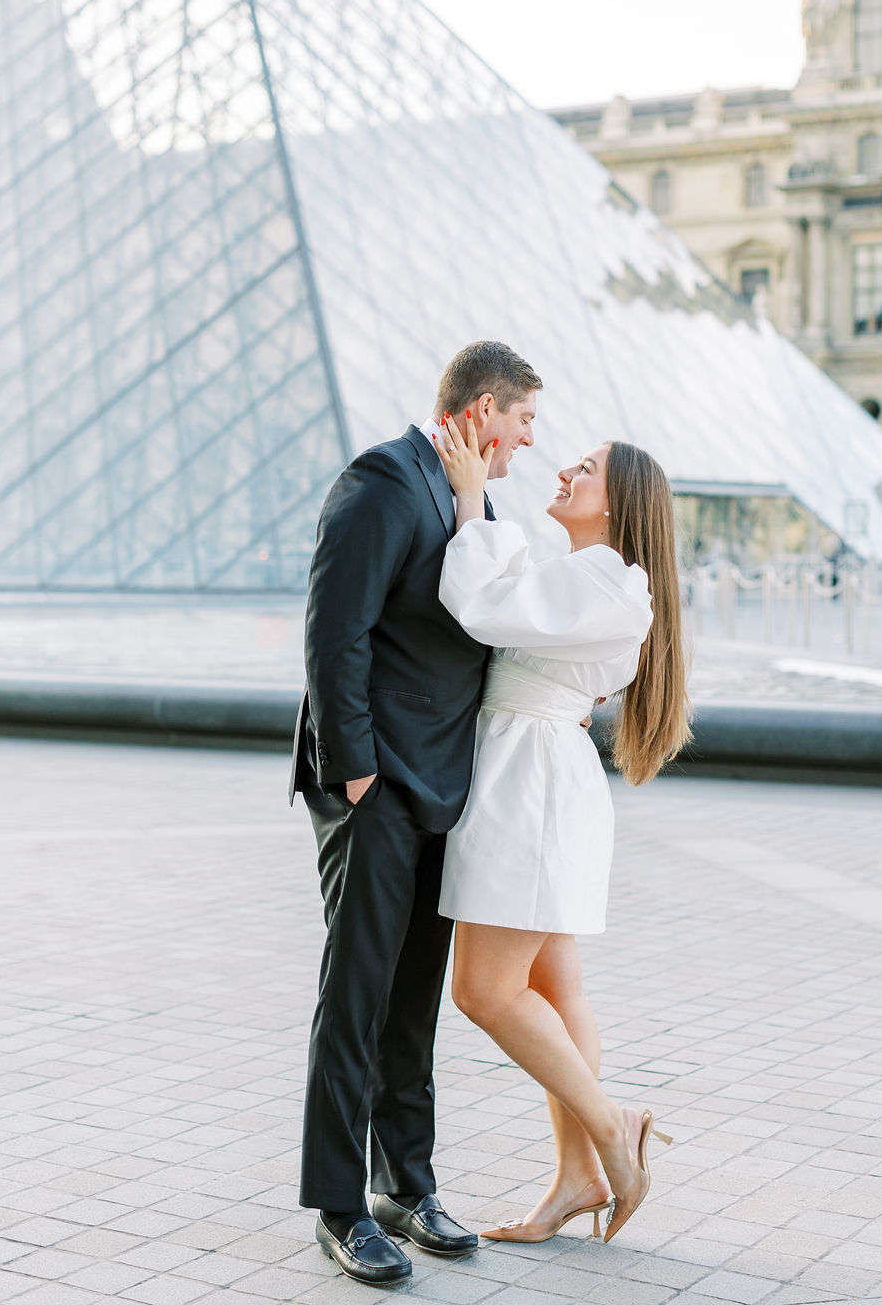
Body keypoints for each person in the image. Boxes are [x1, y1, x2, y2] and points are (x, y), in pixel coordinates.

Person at [288, 341, 541, 1285]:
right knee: (355, 996)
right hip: (377, 784)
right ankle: (341, 1205)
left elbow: (486, 623)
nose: (526, 444)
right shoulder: (381, 481)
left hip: (441, 783)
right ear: (482, 409)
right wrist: (352, 772)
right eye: (522, 423)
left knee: (413, 995)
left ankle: (407, 1183)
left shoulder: (476, 500)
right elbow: (333, 630)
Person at [432, 415, 690, 1245]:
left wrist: (472, 496)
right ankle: (576, 1178)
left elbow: (481, 603)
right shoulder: (591, 575)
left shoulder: (610, 580)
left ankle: (615, 1130)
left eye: (586, 468)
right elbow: (514, 602)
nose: (565, 471)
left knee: (484, 990)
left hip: (530, 789)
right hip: (538, 778)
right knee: (553, 988)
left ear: (622, 507)